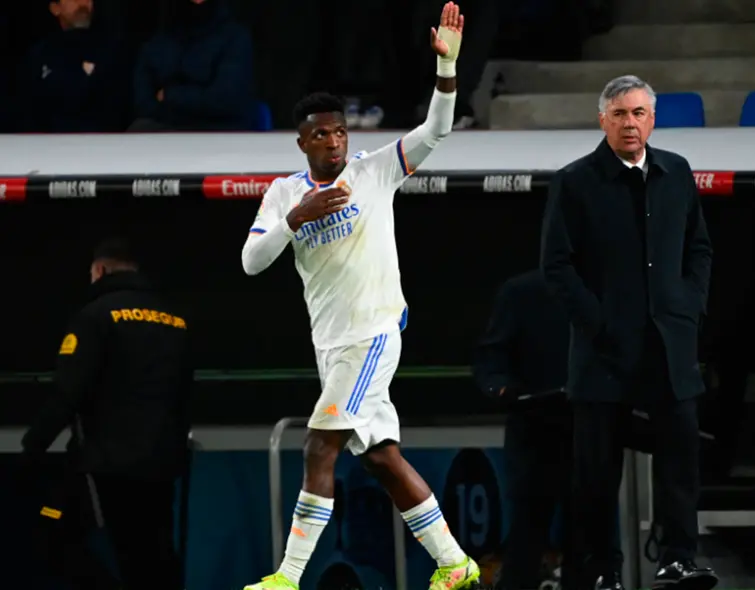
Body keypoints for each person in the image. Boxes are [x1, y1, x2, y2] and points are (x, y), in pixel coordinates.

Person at [240, 4, 480, 590]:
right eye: (321, 134)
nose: (334, 141)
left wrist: (446, 68)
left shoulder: (374, 171)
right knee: (380, 458)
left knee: (318, 446)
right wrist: (295, 219)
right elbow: (251, 262)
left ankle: (287, 577)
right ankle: (455, 563)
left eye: (340, 131)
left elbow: (436, 131)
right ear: (302, 141)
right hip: (332, 345)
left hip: (371, 336)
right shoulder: (284, 195)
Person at [539, 75, 718, 590]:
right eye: (619, 114)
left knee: (681, 458)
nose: (630, 123)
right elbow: (556, 265)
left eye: (638, 113)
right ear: (603, 121)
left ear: (652, 119)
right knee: (597, 472)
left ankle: (678, 559)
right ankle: (602, 572)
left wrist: (688, 308)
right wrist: (598, 322)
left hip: (668, 344)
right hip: (603, 352)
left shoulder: (676, 172)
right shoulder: (574, 181)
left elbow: (699, 248)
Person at [20, 237, 192, 590]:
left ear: (99, 270)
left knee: (56, 537)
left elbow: (69, 390)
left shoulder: (95, 316)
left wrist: (33, 446)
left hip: (104, 466)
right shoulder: (175, 320)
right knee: (153, 555)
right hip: (163, 464)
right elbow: (185, 392)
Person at [472, 269, 572, 590]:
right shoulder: (522, 292)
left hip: (590, 432)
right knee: (528, 531)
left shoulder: (609, 287)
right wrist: (501, 387)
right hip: (534, 431)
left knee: (591, 534)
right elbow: (491, 359)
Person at [130, 0, 255, 131]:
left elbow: (225, 100)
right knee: (139, 129)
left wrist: (170, 96)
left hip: (221, 131)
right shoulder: (157, 42)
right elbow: (144, 103)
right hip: (167, 128)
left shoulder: (235, 39)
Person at [16, 0, 131, 132]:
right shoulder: (40, 54)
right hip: (49, 141)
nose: (83, 3)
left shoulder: (113, 50)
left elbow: (119, 107)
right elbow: (29, 110)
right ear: (55, 8)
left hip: (102, 140)